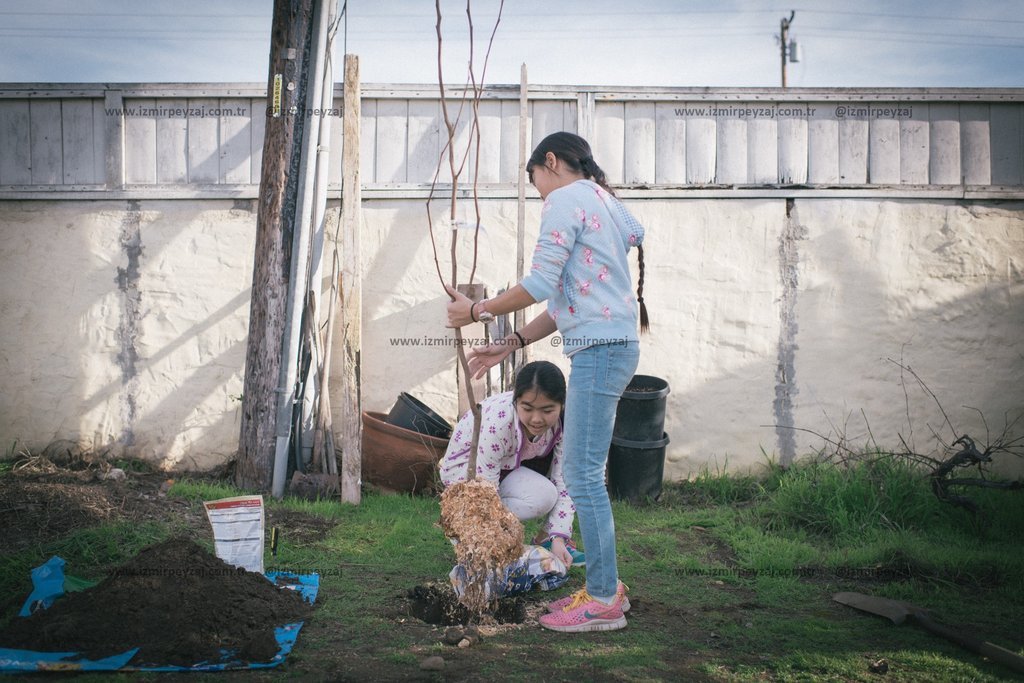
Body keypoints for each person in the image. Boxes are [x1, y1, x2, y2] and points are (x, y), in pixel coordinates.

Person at [445, 131, 648, 633]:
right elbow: (560, 303)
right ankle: (607, 589)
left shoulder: (564, 199)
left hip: (600, 350)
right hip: (611, 346)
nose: (538, 192)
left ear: (550, 162)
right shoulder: (602, 201)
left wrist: (476, 310)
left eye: (534, 178)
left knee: (581, 475)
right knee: (585, 473)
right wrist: (510, 342)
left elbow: (537, 283)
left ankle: (602, 598)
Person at [438, 360, 583, 570]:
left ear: (562, 405)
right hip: (466, 473)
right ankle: (464, 523)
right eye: (527, 408)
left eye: (547, 410)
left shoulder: (566, 424)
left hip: (505, 469)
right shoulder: (498, 422)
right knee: (482, 516)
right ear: (516, 401)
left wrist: (558, 537)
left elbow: (565, 479)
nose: (536, 419)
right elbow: (484, 491)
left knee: (545, 496)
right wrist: (490, 538)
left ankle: (545, 540)